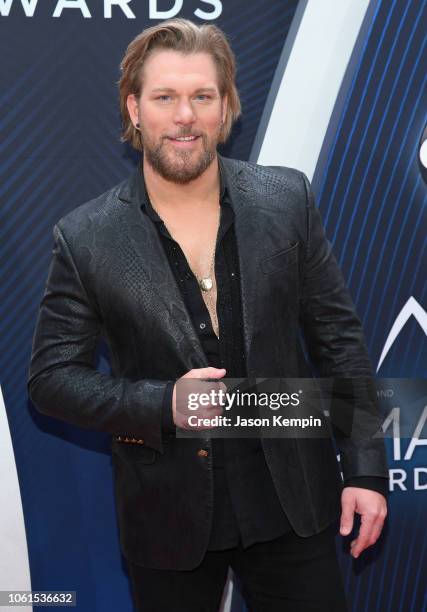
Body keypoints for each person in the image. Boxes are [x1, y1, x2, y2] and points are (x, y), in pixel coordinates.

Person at [27, 18, 388, 612]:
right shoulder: (86, 236)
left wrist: (368, 471)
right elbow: (50, 381)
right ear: (134, 109)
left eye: (202, 96)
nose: (185, 115)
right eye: (165, 97)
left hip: (291, 500)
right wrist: (163, 403)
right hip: (167, 516)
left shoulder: (286, 199)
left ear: (226, 108)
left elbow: (338, 340)